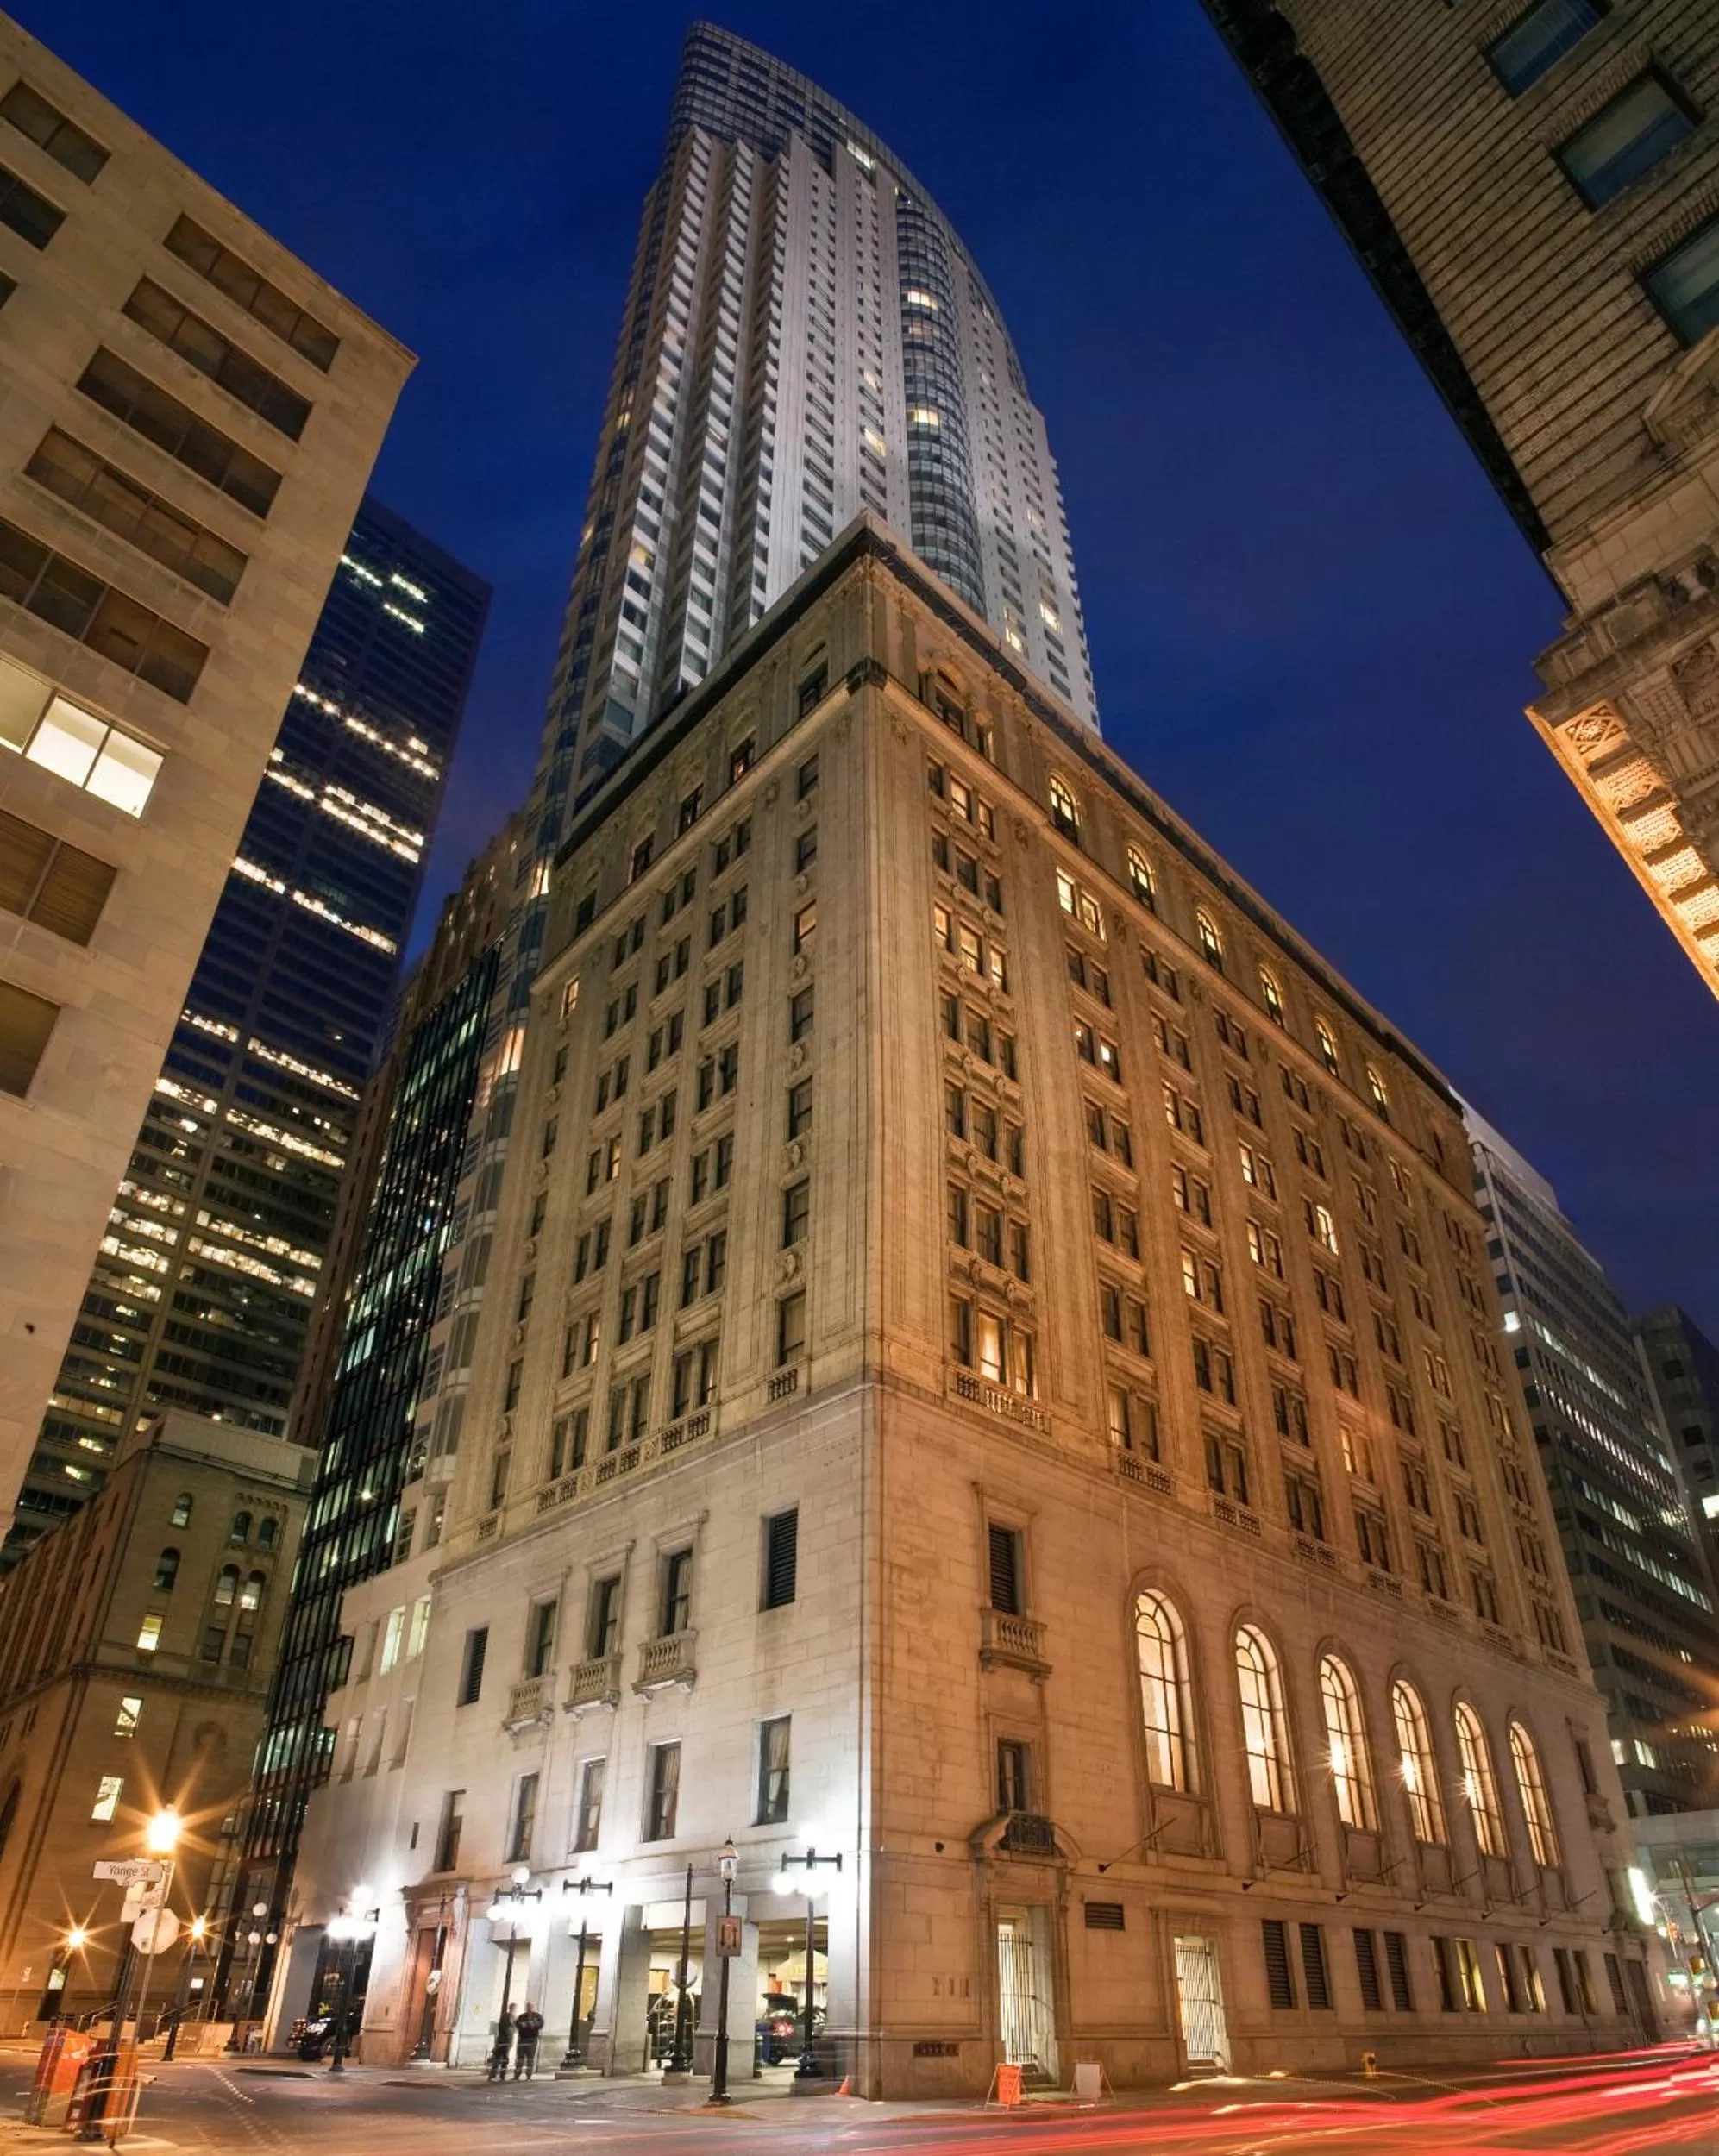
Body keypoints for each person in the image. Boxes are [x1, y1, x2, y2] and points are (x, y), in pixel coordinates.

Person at [512, 2002, 544, 2079]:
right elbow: (518, 2024)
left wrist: (530, 2025)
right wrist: (526, 2025)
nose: (529, 2008)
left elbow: (540, 2025)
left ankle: (528, 2076)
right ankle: (517, 2075)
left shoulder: (538, 2016)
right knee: (520, 2058)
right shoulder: (522, 2016)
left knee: (530, 2058)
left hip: (532, 2040)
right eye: (528, 2007)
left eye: (531, 2007)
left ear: (534, 2007)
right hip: (522, 2039)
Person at [486, 2004, 515, 2083]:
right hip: (504, 2042)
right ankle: (499, 2076)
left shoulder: (506, 2017)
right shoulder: (508, 2018)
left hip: (503, 2041)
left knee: (499, 2059)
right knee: (501, 2060)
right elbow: (509, 2030)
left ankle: (496, 2076)